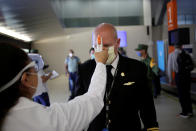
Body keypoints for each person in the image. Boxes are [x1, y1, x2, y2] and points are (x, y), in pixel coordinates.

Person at [0, 43, 108, 131]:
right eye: (35, 70)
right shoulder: (40, 121)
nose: (39, 74)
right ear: (25, 79)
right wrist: (101, 63)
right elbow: (93, 99)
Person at [72, 23, 159, 131]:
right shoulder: (85, 69)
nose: (101, 52)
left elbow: (146, 105)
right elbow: (77, 103)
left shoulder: (136, 68)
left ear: (117, 42)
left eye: (106, 46)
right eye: (97, 46)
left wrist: (151, 127)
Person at [168, 45, 194, 118]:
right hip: (187, 76)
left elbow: (169, 67)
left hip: (179, 76)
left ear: (174, 46)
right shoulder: (187, 54)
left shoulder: (172, 54)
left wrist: (170, 79)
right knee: (187, 94)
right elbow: (193, 64)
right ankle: (190, 111)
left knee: (181, 95)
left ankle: (184, 112)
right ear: (181, 46)